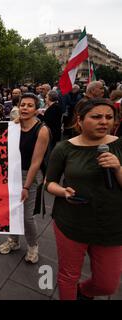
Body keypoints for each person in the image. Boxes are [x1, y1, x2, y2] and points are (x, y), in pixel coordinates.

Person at [45, 98, 122, 300]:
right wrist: (63, 192)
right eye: (96, 117)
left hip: (112, 226)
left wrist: (118, 168)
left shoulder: (119, 146)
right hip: (71, 223)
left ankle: (84, 291)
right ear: (79, 120)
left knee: (107, 284)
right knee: (68, 275)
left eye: (109, 117)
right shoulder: (64, 148)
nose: (104, 122)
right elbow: (49, 182)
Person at [0, 93, 50, 264]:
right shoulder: (14, 126)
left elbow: (36, 162)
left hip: (30, 175)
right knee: (12, 210)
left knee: (27, 216)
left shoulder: (41, 130)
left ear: (36, 109)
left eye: (29, 105)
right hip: (12, 173)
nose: (25, 108)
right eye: (23, 105)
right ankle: (13, 241)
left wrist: (26, 187)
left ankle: (33, 246)